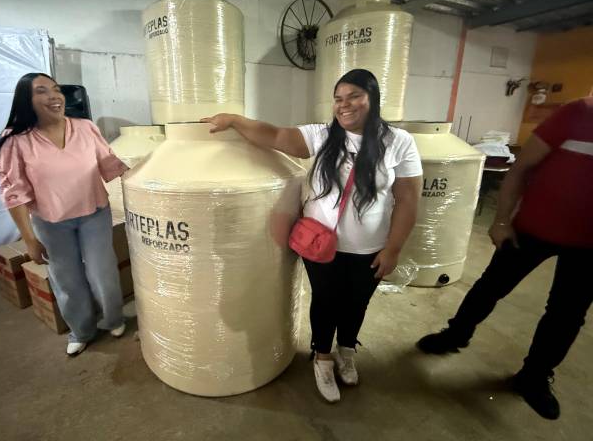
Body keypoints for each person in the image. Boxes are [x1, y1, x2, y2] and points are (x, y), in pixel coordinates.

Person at [203, 69, 422, 402]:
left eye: (354, 96)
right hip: (320, 246)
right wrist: (235, 119)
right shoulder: (322, 135)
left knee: (357, 303)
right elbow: (275, 135)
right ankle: (322, 358)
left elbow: (408, 199)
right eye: (338, 98)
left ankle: (346, 351)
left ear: (373, 99)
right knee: (325, 301)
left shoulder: (399, 142)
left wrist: (393, 248)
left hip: (370, 248)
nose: (344, 105)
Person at [417, 95, 593, 420]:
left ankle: (534, 376)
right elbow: (521, 168)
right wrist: (501, 221)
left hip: (588, 246)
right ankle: (456, 334)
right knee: (492, 286)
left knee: (567, 314)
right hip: (533, 230)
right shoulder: (577, 114)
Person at [0, 73, 128, 357]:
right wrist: (29, 239)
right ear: (26, 100)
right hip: (51, 222)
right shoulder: (15, 140)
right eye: (42, 91)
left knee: (102, 272)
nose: (54, 96)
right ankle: (81, 331)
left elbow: (109, 163)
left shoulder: (85, 127)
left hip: (94, 213)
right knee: (67, 279)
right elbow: (14, 192)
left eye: (56, 90)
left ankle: (114, 319)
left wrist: (145, 175)